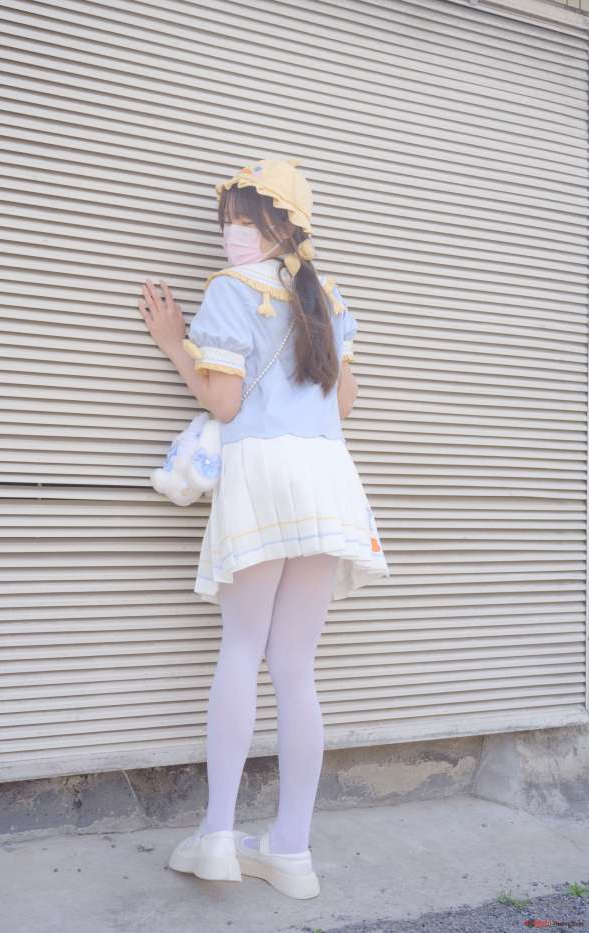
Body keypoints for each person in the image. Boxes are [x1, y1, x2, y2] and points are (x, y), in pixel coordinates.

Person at [138, 157, 390, 899]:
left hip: (262, 475)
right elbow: (343, 405)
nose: (231, 234)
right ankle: (292, 852)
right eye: (228, 222)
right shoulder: (328, 296)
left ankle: (219, 835)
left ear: (281, 225)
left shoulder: (230, 289)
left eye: (243, 221)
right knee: (297, 669)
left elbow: (223, 403)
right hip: (328, 479)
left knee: (241, 649)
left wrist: (174, 342)